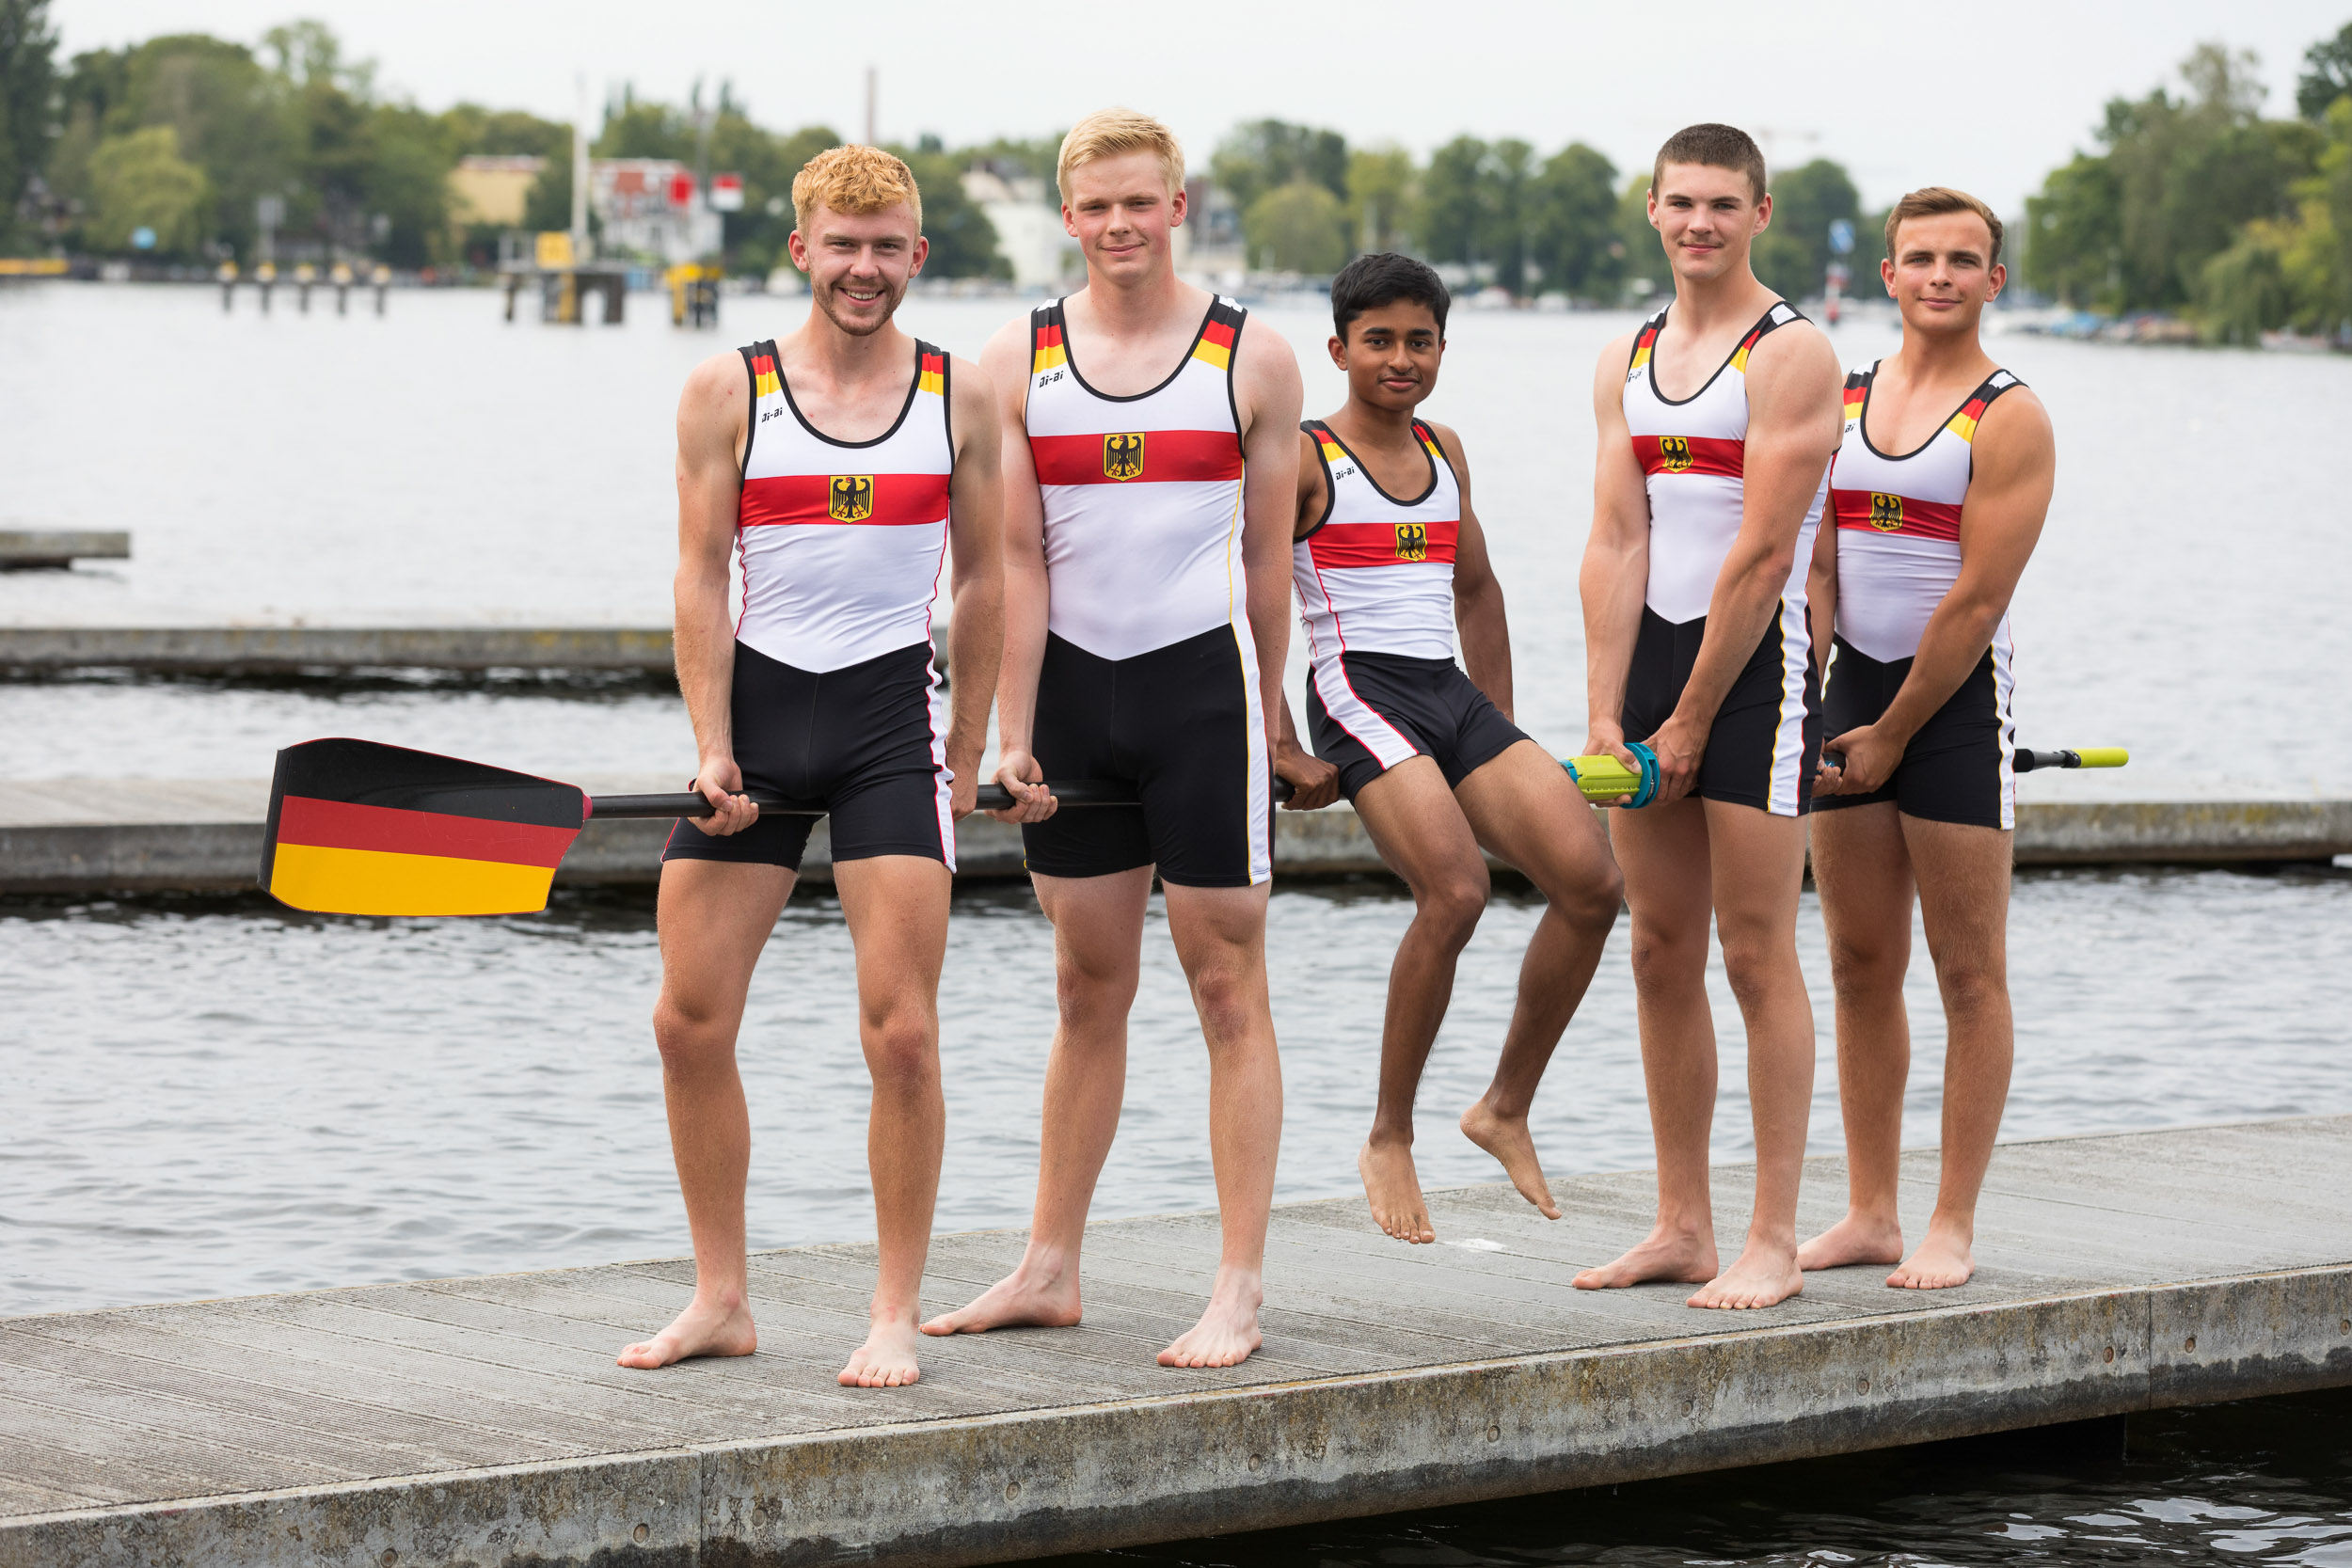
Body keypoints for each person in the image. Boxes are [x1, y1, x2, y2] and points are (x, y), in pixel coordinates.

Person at [920, 108, 1308, 1369]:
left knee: (1223, 987)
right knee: (1086, 987)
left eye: (1140, 203)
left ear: (1177, 206)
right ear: (1070, 215)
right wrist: (1010, 734)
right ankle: (1049, 1263)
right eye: (1095, 208)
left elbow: (1266, 564)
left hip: (1205, 698)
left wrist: (1278, 720)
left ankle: (1237, 1286)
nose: (1118, 226)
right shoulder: (1012, 357)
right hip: (1079, 704)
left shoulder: (1251, 354)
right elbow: (1015, 561)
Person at [619, 145, 1004, 1387]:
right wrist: (712, 745)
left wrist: (964, 755)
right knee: (687, 1021)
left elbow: (993, 579)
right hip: (762, 725)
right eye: (844, 245)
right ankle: (721, 1297)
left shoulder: (962, 394)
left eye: (889, 245)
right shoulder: (726, 390)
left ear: (919, 255)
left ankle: (892, 1307)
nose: (865, 267)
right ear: (801, 250)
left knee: (901, 1034)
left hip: (894, 724)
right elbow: (696, 573)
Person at [1272, 252, 1624, 1245]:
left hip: (1449, 694)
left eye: (1418, 340)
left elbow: (1476, 589)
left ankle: (1502, 1104)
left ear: (1440, 350)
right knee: (1457, 890)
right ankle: (1389, 1131)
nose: (1399, 358)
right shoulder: (1304, 458)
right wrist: (1282, 740)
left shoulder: (1444, 448)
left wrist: (1497, 741)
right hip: (1357, 689)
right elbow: (1255, 601)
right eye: (1377, 340)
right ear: (1337, 349)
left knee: (1593, 886)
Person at [1573, 123, 1844, 1310]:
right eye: (1680, 203)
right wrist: (1602, 714)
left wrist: (1685, 723)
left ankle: (1771, 1235)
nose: (1699, 224)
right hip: (1648, 672)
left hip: (1751, 673)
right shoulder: (1625, 355)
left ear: (1760, 214)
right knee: (1655, 946)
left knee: (1752, 948)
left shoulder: (1792, 355)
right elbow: (1618, 538)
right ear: (1651, 209)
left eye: (1722, 205)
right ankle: (1682, 1222)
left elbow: (1763, 552)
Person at [1796, 187, 2056, 1291]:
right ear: (1888, 275)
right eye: (1919, 258)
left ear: (1993, 279)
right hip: (1844, 689)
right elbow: (1813, 560)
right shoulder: (1844, 395)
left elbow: (1974, 603)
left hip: (1946, 712)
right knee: (1860, 963)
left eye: (1963, 260)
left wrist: (1895, 730)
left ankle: (1949, 1220)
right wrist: (1808, 685)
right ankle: (1868, 1211)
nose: (1939, 275)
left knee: (1967, 972)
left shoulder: (2009, 415)